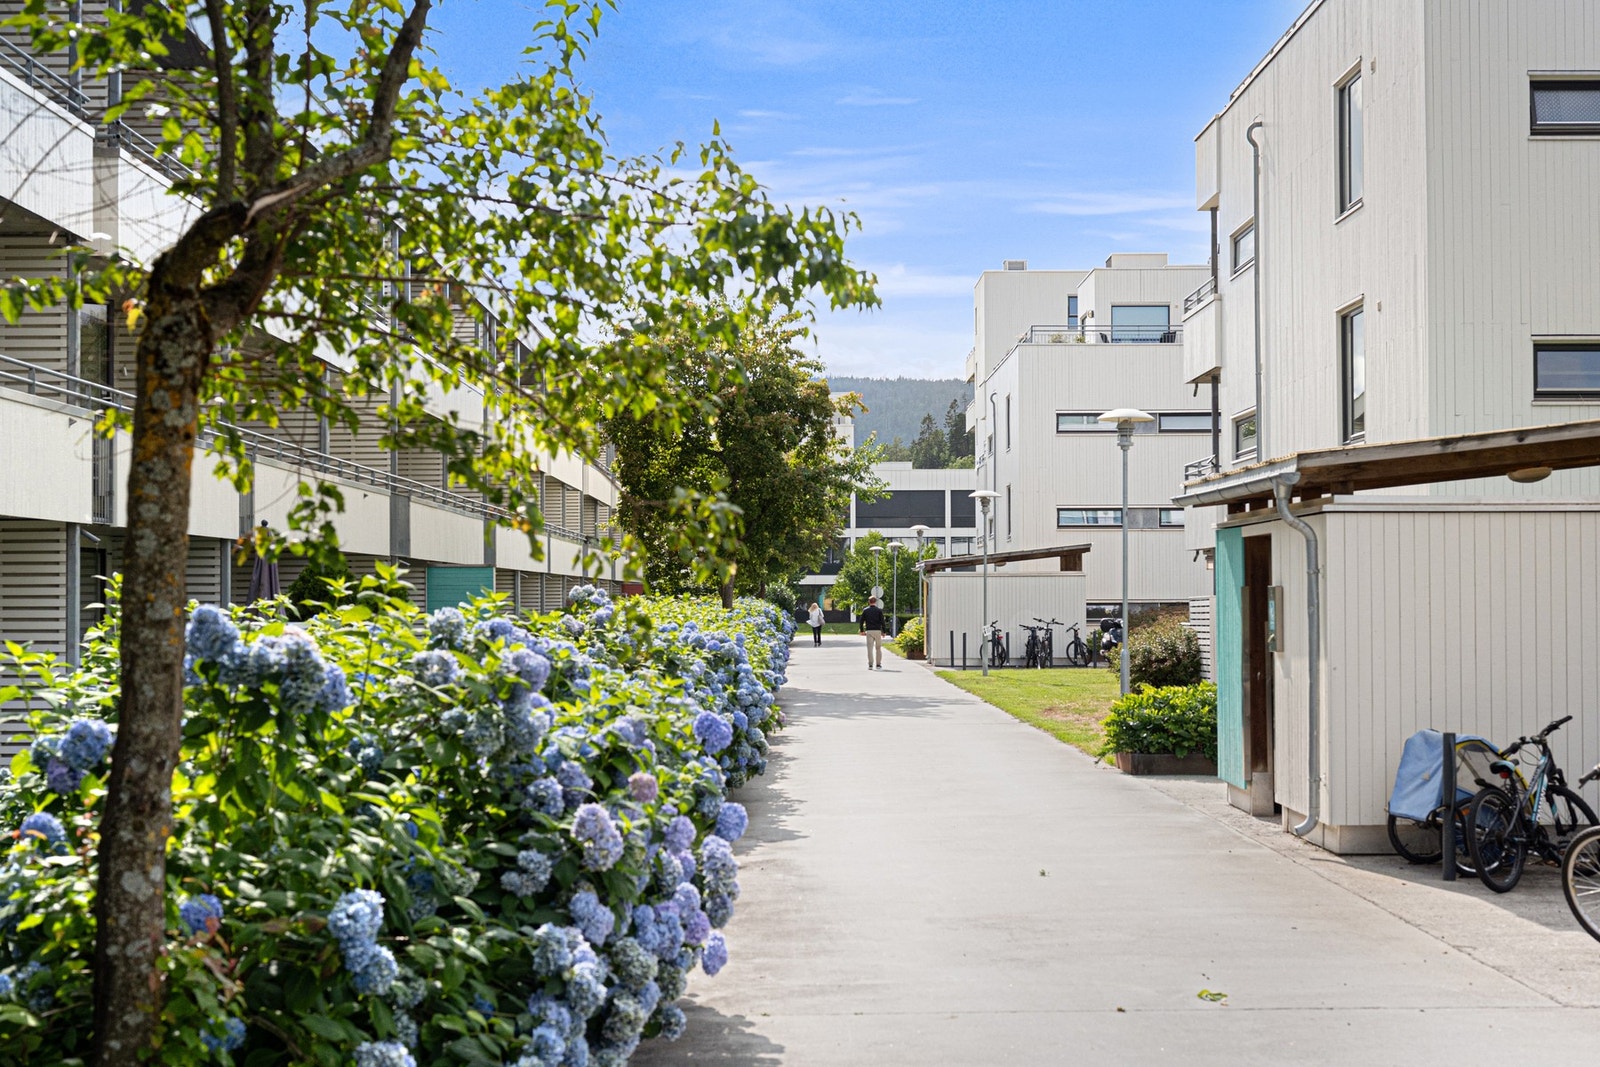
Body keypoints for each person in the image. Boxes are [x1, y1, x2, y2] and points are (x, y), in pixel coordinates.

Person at [859, 596, 885, 670]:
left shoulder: (865, 610)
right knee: (878, 648)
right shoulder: (879, 611)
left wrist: (862, 630)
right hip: (877, 631)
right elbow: (882, 622)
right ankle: (878, 664)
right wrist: (884, 631)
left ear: (869, 601)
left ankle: (870, 665)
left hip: (869, 631)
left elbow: (861, 621)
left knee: (870, 649)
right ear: (875, 602)